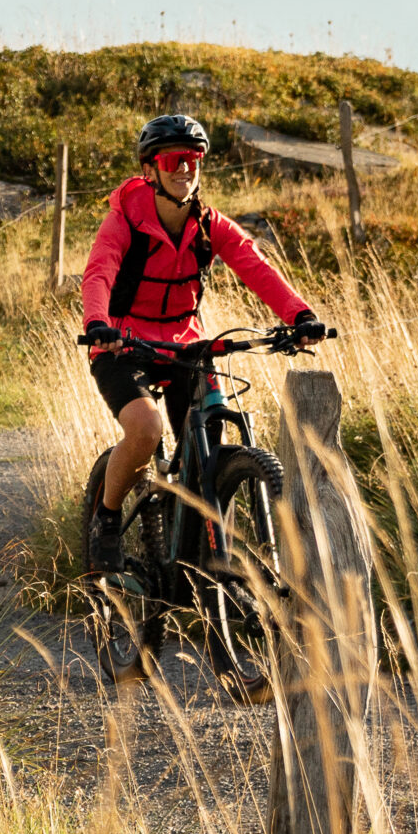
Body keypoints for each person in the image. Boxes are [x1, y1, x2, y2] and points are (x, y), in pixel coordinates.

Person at [79, 114, 326, 587]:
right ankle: (107, 518)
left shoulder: (209, 224)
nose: (185, 169)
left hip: (185, 345)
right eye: (174, 160)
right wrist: (97, 323)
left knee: (210, 429)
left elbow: (256, 266)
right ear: (150, 169)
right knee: (146, 429)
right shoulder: (124, 220)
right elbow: (99, 274)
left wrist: (299, 316)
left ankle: (200, 542)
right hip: (121, 343)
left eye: (194, 160)